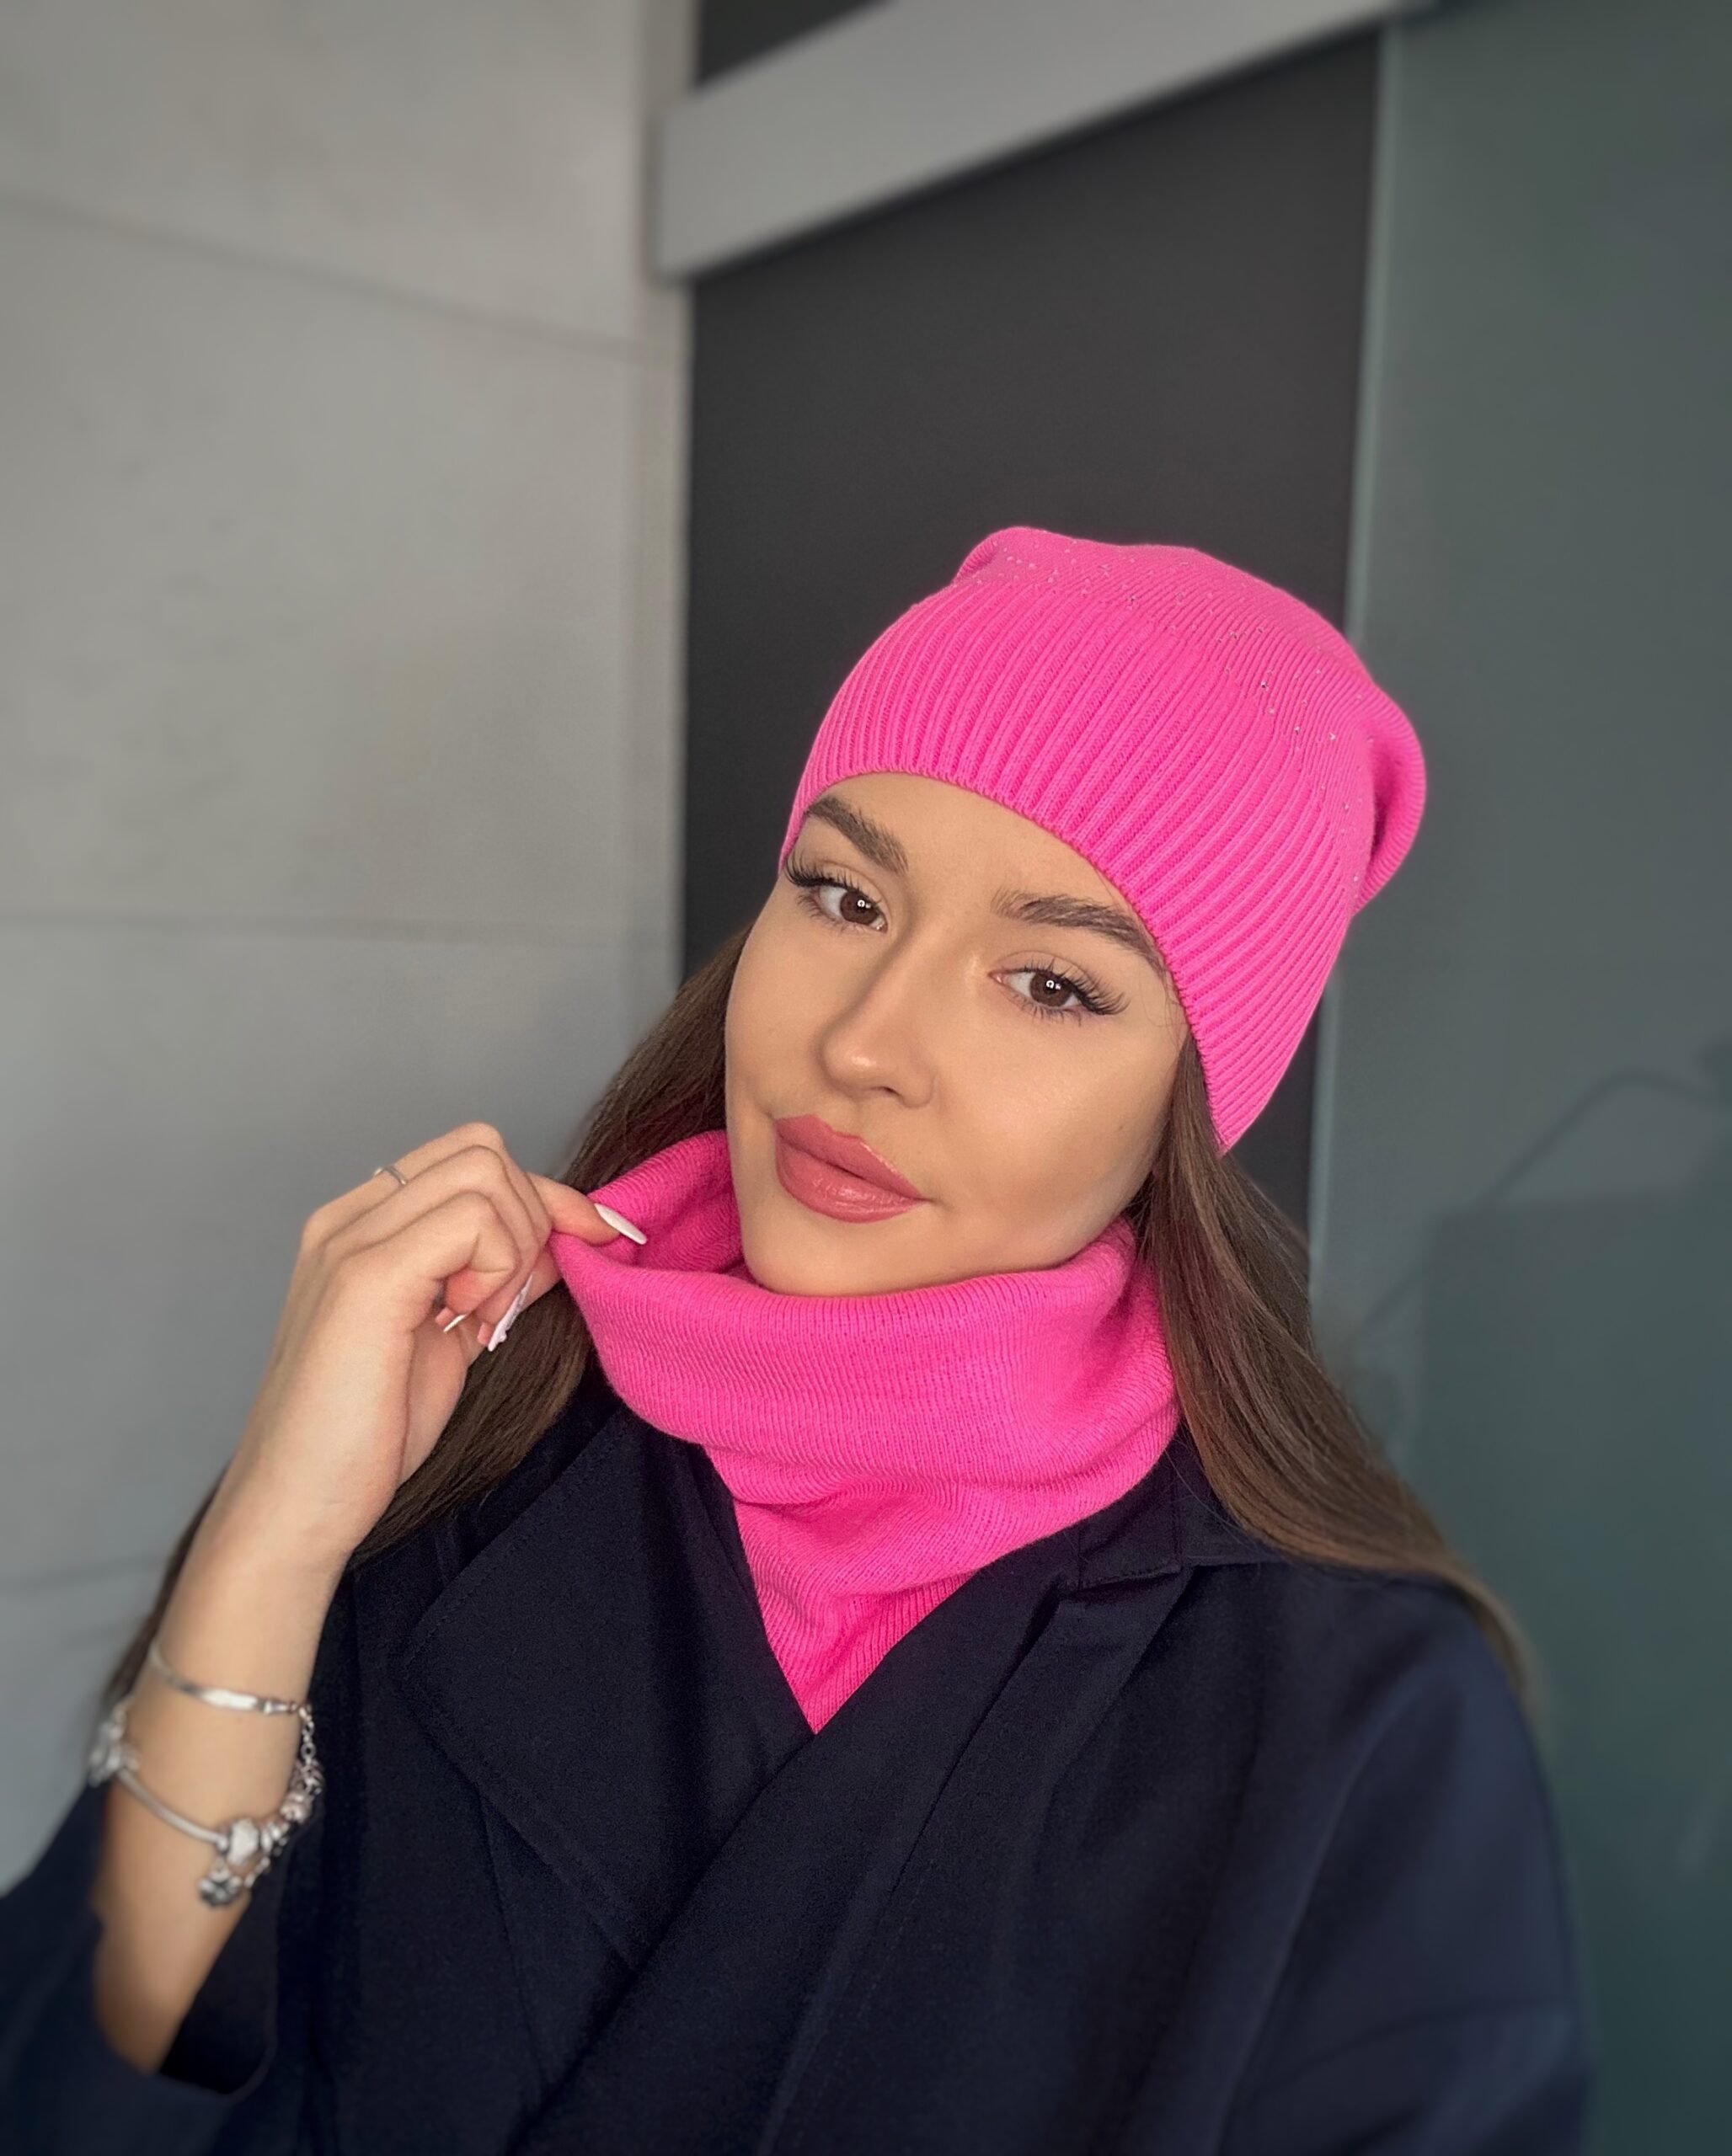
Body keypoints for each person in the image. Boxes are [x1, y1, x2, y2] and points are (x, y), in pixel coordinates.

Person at [0, 526, 1594, 2153]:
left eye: (1051, 985)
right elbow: (84, 2084)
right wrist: (274, 1538)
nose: (865, 1041)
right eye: (844, 895)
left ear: (1191, 1102)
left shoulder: (1362, 1725)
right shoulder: (468, 1434)